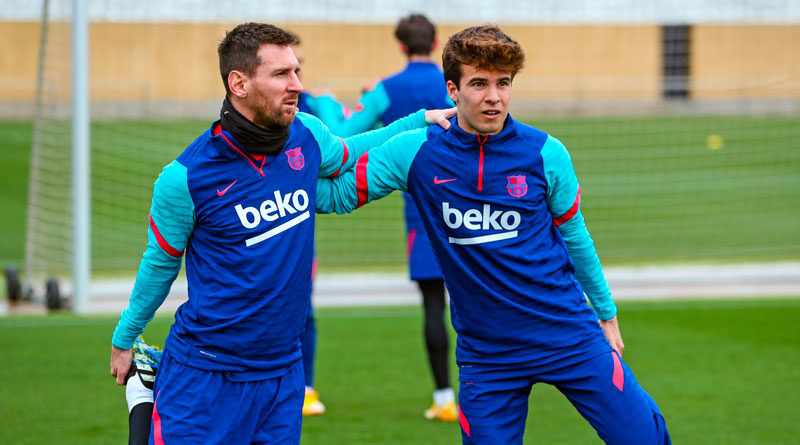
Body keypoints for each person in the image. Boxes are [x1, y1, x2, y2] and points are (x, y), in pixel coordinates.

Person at [316, 25, 671, 444]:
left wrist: (607, 315)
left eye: (503, 83)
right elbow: (333, 195)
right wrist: (287, 158)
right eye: (479, 83)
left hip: (568, 335)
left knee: (645, 437)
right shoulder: (414, 151)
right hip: (488, 357)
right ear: (452, 89)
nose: (494, 97)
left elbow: (576, 238)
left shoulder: (545, 153)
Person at [109, 22, 453, 444]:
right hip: (208, 373)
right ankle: (146, 396)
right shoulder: (185, 178)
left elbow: (351, 156)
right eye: (281, 74)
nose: (296, 84)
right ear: (239, 83)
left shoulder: (306, 134)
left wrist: (419, 125)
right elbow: (159, 266)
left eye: (297, 72)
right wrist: (125, 337)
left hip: (283, 374)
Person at [317, 14, 458, 421]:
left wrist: (326, 100)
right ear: (435, 44)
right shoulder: (455, 84)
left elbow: (342, 135)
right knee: (477, 300)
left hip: (423, 212)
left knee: (434, 305)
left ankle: (444, 397)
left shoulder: (383, 90)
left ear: (401, 46)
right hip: (469, 204)